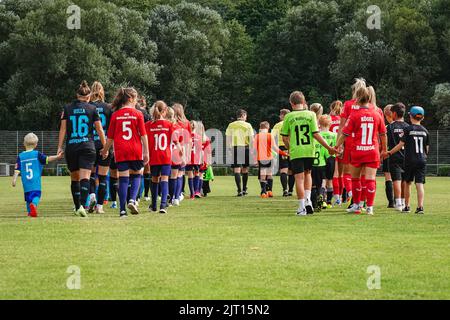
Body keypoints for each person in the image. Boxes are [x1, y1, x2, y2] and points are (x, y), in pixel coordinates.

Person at [281, 91, 335, 216]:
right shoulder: (311, 114)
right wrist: (328, 147)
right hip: (309, 151)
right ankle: (308, 200)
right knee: (308, 174)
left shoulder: (289, 116)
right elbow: (316, 134)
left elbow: (284, 138)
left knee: (299, 179)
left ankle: (301, 207)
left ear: (291, 103)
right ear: (304, 102)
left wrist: (290, 149)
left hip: (297, 151)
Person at [335, 87, 387, 215]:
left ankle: (357, 205)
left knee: (355, 179)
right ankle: (369, 207)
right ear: (369, 98)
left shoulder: (354, 115)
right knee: (370, 179)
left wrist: (337, 146)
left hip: (357, 151)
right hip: (372, 150)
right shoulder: (376, 113)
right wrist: (384, 149)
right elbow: (383, 134)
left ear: (357, 99)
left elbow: (344, 133)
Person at [57, 80, 106, 217]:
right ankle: (81, 206)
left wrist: (59, 147)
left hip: (72, 146)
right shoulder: (92, 109)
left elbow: (63, 129)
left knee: (74, 179)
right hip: (87, 147)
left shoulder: (67, 108)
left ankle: (78, 206)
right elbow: (100, 130)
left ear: (76, 95)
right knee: (85, 177)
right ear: (89, 96)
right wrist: (105, 147)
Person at [100, 87, 149, 218]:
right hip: (135, 149)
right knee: (137, 175)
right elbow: (143, 135)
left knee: (123, 179)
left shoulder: (115, 115)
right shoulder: (138, 114)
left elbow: (110, 137)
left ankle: (122, 211)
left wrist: (105, 151)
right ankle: (132, 199)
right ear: (130, 98)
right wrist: (146, 152)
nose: (136, 102)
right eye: (136, 98)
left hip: (120, 150)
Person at [388, 106, 429, 214]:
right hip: (422, 160)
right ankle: (420, 207)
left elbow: (400, 144)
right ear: (422, 118)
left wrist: (390, 152)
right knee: (419, 184)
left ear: (410, 116)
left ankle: (407, 206)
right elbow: (427, 149)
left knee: (407, 182)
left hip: (410, 160)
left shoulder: (408, 129)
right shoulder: (425, 131)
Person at [12, 133, 63, 217]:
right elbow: (48, 159)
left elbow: (17, 169)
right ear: (36, 144)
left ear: (24, 143)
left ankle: (30, 212)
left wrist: (14, 180)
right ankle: (34, 205)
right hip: (35, 182)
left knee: (28, 198)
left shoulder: (20, 156)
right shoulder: (37, 154)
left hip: (26, 183)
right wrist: (57, 156)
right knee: (36, 196)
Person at [145, 101, 178, 214]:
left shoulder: (148, 125)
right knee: (164, 179)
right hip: (165, 156)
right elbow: (175, 140)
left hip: (154, 156)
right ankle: (163, 205)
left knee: (154, 179)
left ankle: (154, 206)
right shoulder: (169, 125)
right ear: (164, 111)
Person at [88, 81, 113, 214]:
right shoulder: (108, 107)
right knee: (103, 177)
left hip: (90, 144)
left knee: (91, 175)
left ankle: (91, 196)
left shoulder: (88, 106)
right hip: (104, 144)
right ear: (102, 91)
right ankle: (100, 207)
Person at [254, 121, 288, 198]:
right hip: (269, 158)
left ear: (260, 128)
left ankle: (263, 192)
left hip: (261, 158)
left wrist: (255, 160)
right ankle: (270, 191)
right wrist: (284, 153)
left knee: (263, 175)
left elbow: (254, 149)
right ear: (268, 127)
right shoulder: (270, 135)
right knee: (269, 175)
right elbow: (275, 148)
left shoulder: (257, 136)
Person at [226, 109, 254, 197]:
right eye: (245, 116)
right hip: (245, 147)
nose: (246, 117)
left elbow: (228, 139)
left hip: (235, 148)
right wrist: (252, 150)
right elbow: (252, 139)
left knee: (237, 169)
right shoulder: (248, 125)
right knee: (245, 169)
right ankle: (245, 189)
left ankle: (239, 190)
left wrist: (229, 149)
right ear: (243, 115)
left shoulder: (231, 125)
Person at [387, 103, 409, 212]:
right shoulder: (407, 127)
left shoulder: (390, 127)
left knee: (396, 180)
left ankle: (398, 202)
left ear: (394, 114)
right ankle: (404, 202)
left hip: (394, 156)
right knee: (404, 180)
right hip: (406, 157)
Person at [272, 109, 293, 197]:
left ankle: (285, 189)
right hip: (292, 147)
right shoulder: (292, 123)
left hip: (282, 147)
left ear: (282, 115)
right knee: (292, 171)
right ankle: (291, 190)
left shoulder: (278, 125)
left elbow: (272, 137)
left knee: (283, 170)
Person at [173, 103, 192, 202]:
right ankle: (177, 196)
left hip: (173, 149)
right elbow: (189, 141)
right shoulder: (186, 123)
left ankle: (171, 196)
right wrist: (187, 155)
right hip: (183, 149)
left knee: (172, 175)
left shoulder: (171, 122)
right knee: (180, 174)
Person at [318, 115, 337, 208]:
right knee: (330, 180)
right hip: (331, 158)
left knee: (323, 180)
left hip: (320, 158)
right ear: (330, 123)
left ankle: (322, 198)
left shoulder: (318, 135)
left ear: (319, 123)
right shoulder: (334, 135)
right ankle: (329, 202)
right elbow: (337, 147)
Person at [329, 100, 344, 205]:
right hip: (342, 147)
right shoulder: (342, 119)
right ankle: (343, 197)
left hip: (332, 148)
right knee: (342, 174)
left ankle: (337, 197)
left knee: (335, 173)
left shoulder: (329, 119)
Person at [187, 120, 203, 199]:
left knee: (190, 174)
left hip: (189, 158)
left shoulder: (187, 135)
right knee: (196, 174)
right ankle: (196, 191)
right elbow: (200, 149)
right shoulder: (198, 136)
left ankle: (192, 193)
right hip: (196, 158)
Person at [383, 105, 395, 208]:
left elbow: (383, 143)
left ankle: (391, 202)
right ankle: (400, 200)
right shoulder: (404, 126)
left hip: (388, 154)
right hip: (401, 155)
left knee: (388, 177)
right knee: (399, 178)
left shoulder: (386, 128)